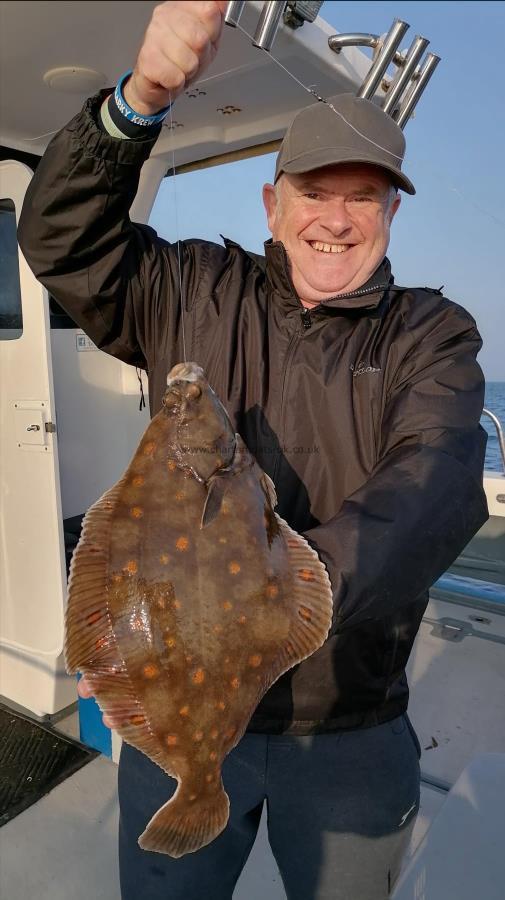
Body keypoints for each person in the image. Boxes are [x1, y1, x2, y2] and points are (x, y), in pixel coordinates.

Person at [18, 3, 488, 898]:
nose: (336, 220)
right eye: (315, 191)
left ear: (389, 210)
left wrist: (276, 604)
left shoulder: (433, 334)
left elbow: (429, 488)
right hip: (174, 723)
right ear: (273, 203)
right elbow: (60, 241)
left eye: (363, 195)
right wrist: (140, 100)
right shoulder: (189, 284)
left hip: (346, 724)